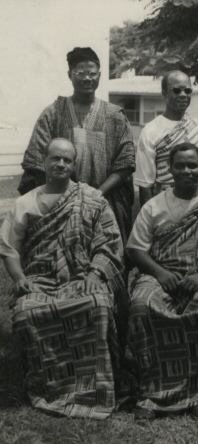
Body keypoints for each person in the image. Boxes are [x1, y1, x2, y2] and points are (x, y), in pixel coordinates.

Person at [0, 138, 126, 419]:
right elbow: (9, 249)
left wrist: (95, 272)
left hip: (80, 277)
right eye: (55, 158)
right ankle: (47, 387)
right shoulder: (25, 203)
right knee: (26, 312)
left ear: (74, 164)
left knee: (97, 305)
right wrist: (20, 278)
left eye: (67, 160)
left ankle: (95, 390)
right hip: (39, 280)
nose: (60, 164)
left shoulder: (92, 198)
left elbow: (110, 241)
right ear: (43, 161)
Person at [126, 143, 198, 421]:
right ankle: (152, 392)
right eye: (180, 165)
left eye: (193, 165)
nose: (187, 170)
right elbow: (136, 249)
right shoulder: (154, 205)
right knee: (142, 306)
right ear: (169, 169)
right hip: (160, 273)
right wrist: (160, 273)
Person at [19, 47, 135, 244]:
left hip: (105, 202)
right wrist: (67, 198)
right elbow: (37, 161)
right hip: (60, 202)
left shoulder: (115, 116)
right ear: (69, 75)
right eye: (80, 73)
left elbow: (126, 161)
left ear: (99, 75)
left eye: (92, 73)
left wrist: (97, 195)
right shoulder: (53, 114)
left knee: (106, 258)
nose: (87, 78)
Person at [134, 70, 198, 208]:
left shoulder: (196, 125)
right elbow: (145, 184)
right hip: (166, 204)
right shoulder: (151, 130)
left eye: (187, 90)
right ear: (164, 93)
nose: (183, 95)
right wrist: (150, 219)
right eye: (176, 90)